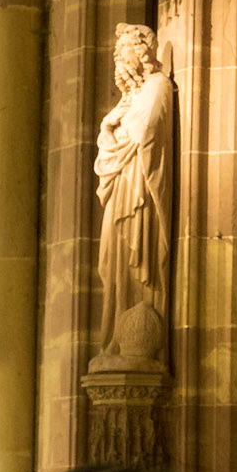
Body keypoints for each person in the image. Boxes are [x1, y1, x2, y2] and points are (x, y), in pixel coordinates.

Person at [94, 23, 173, 365]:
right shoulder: (131, 97)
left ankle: (136, 337)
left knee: (134, 256)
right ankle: (114, 336)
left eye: (124, 47)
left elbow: (146, 130)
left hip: (138, 187)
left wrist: (119, 126)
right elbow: (111, 147)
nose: (117, 54)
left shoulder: (157, 85)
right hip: (121, 186)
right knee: (111, 261)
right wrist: (107, 127)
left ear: (142, 52)